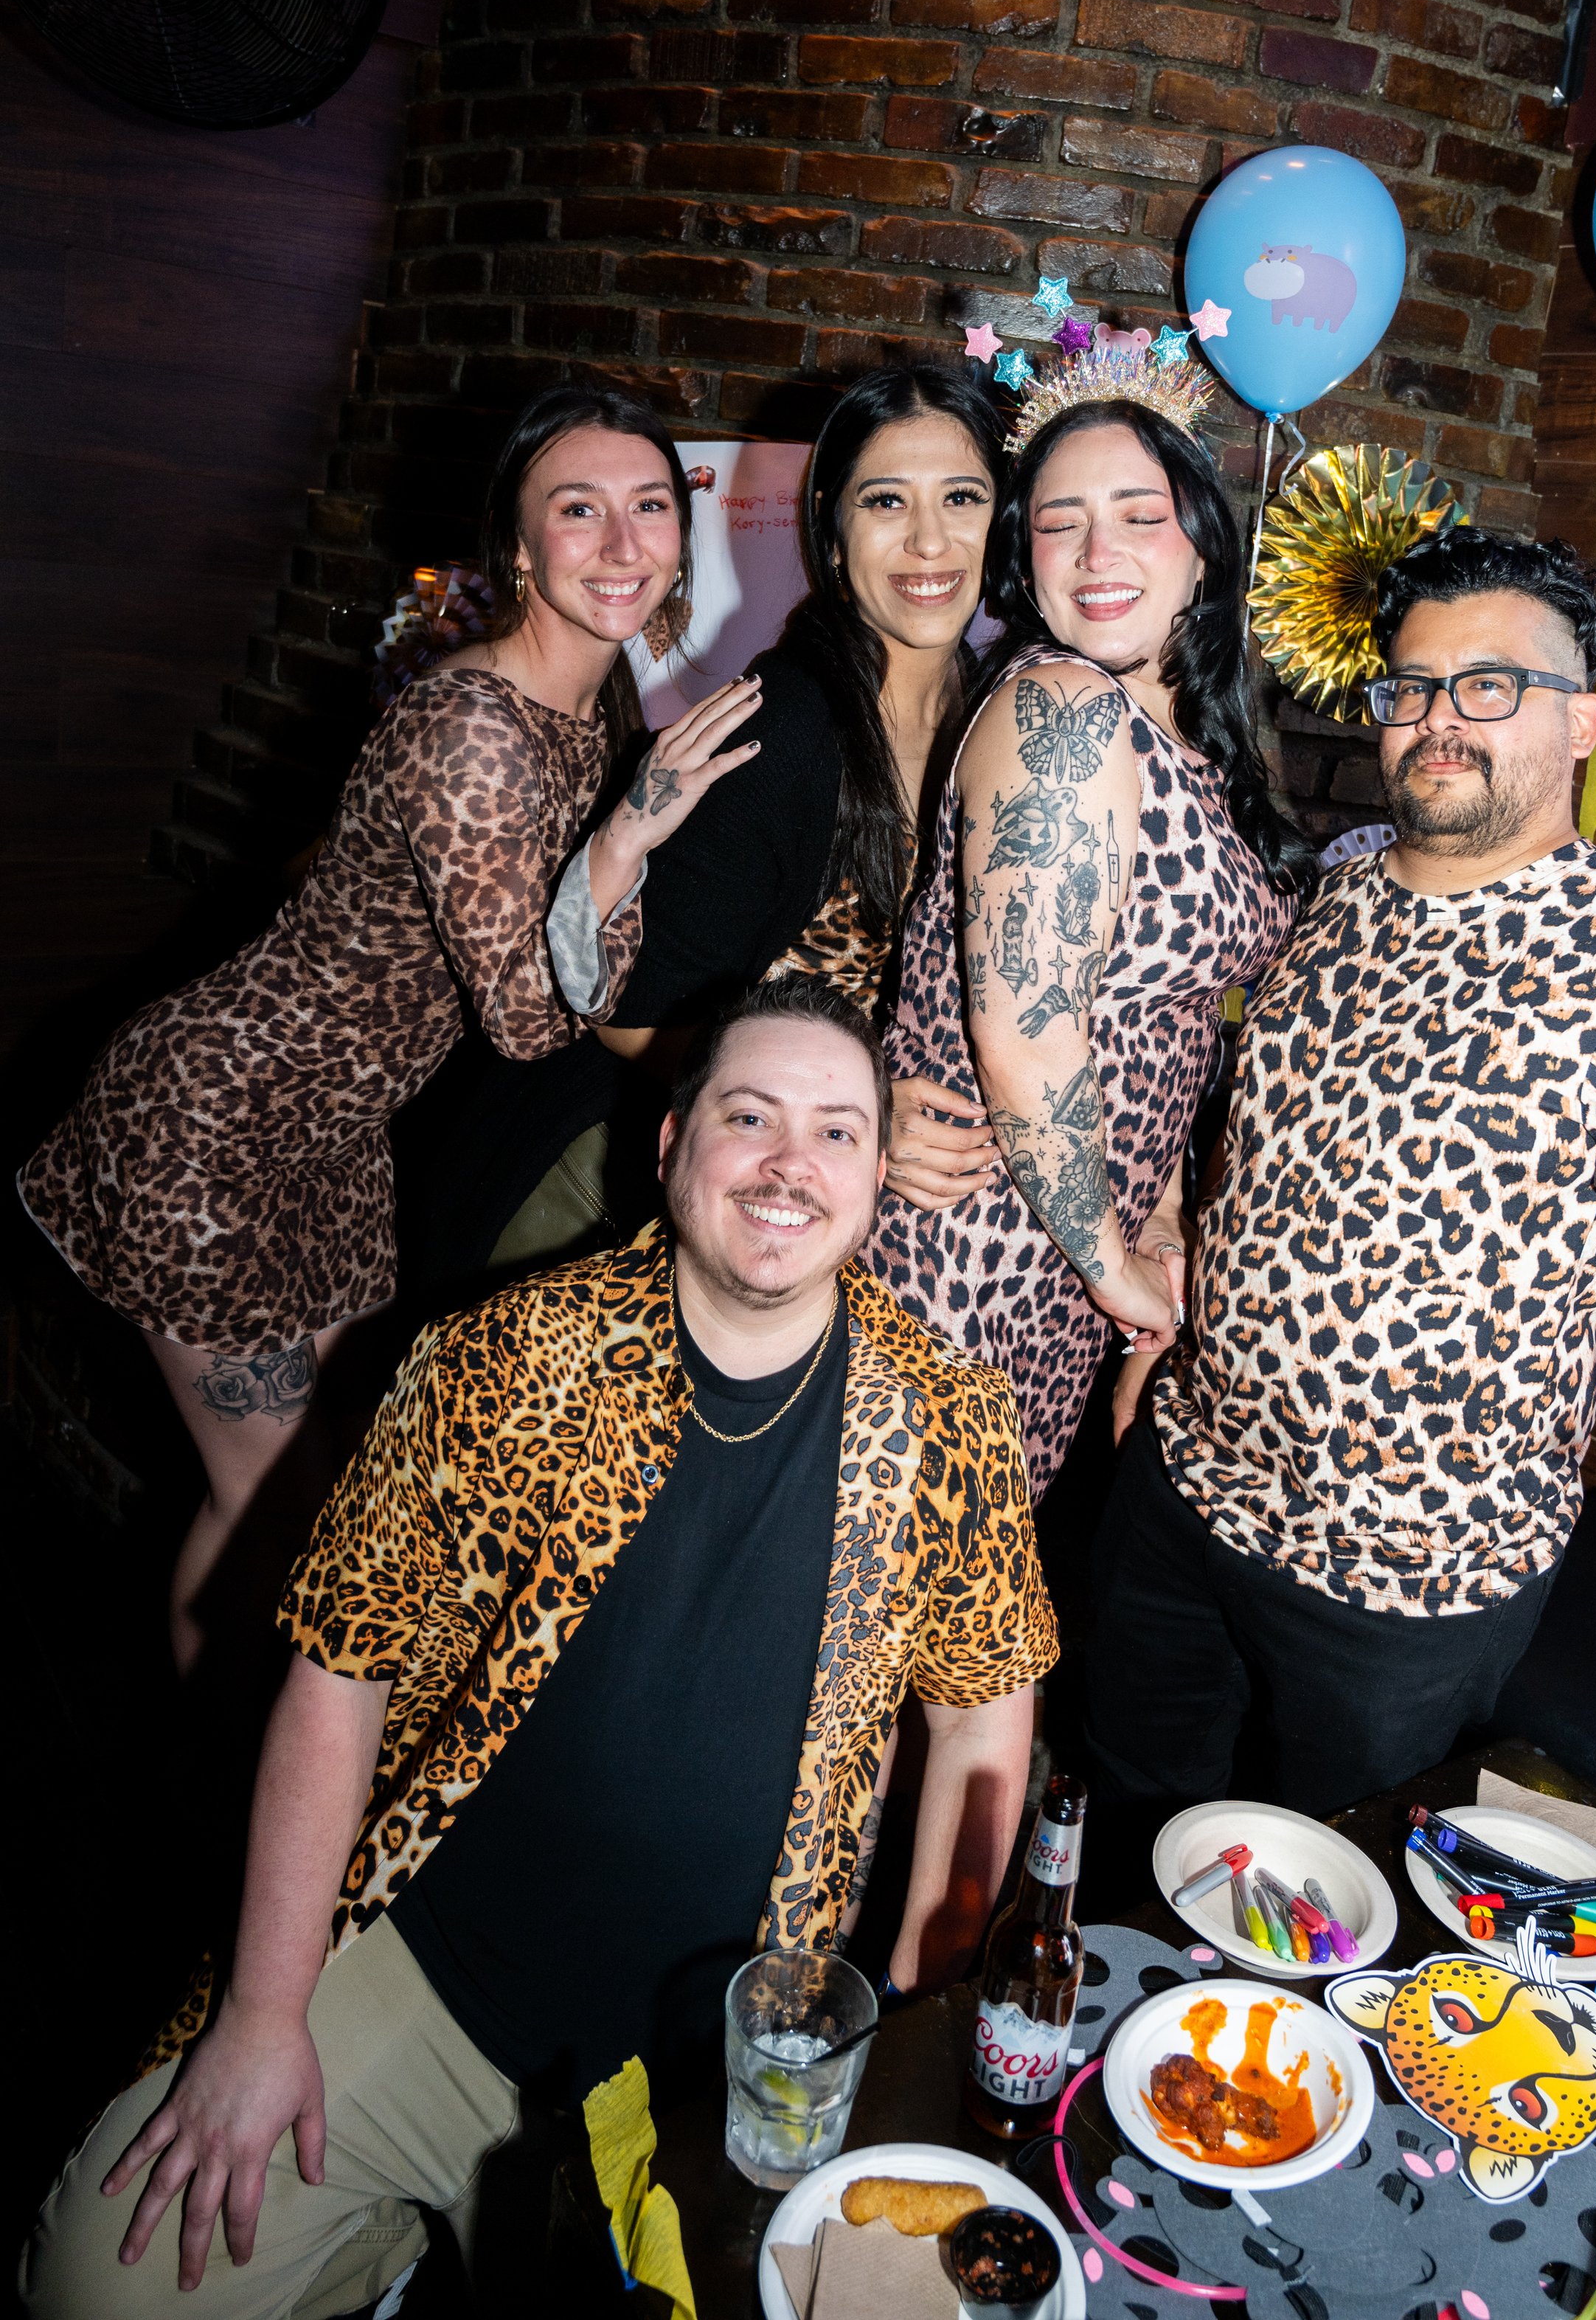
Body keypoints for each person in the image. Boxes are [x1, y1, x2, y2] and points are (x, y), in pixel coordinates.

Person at [22, 977, 1055, 2316]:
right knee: (96, 2287)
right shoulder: (499, 1362)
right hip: (434, 1985)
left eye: (837, 1132)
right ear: (673, 1145)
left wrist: (917, 2020)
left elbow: (984, 1717)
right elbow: (337, 1674)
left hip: (721, 2069)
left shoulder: (947, 1424)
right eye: (750, 1117)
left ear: (873, 1187)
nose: (791, 1163)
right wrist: (265, 2019)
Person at [1086, 528, 1596, 1821]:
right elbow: (1242, 1154)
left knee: (1333, 1926)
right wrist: (1155, 1338)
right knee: (1117, 1830)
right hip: (1189, 1491)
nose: (1440, 718)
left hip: (1414, 1578)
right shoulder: (1330, 893)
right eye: (1413, 687)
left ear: (1585, 722)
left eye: (1491, 685)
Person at [17, 384, 760, 1669]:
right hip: (218, 1123)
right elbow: (535, 1021)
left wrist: (628, 839)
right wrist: (633, 836)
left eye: (651, 507)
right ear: (518, 550)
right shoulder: (477, 727)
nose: (626, 544)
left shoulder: (587, 708)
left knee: (316, 1478)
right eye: (578, 512)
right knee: (273, 1502)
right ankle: (221, 1804)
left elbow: (569, 955)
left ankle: (253, 1783)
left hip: (335, 1136)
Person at [409, 362, 1008, 1292]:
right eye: (886, 501)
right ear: (834, 534)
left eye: (961, 497)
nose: (928, 541)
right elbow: (623, 1014)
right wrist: (857, 1108)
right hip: (622, 1199)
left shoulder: (987, 714)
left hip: (801, 1197)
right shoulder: (782, 732)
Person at [866, 379, 1309, 1498]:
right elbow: (1029, 1034)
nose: (1096, 549)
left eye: (1137, 513)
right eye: (1059, 520)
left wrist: (1155, 1210)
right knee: (870, 1621)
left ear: (1204, 545)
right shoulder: (1060, 706)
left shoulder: (1196, 742)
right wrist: (1120, 1272)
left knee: (970, 1626)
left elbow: (1164, 1026)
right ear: (1028, 557)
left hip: (1062, 1248)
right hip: (969, 1252)